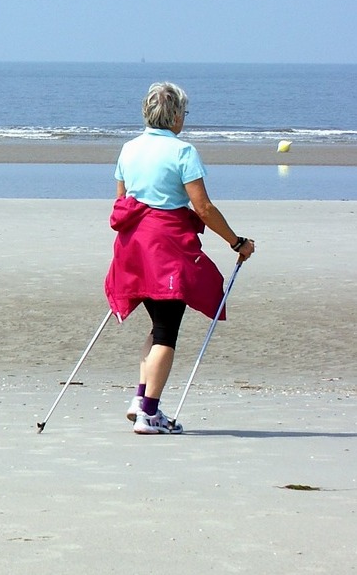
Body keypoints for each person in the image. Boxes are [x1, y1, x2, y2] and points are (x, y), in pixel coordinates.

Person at [105, 82, 255, 434]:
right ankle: (149, 415)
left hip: (132, 248)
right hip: (166, 247)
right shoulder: (182, 151)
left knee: (159, 326)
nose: (184, 119)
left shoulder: (128, 149)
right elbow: (202, 207)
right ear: (173, 115)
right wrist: (236, 242)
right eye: (184, 113)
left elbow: (123, 202)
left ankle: (140, 400)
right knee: (166, 333)